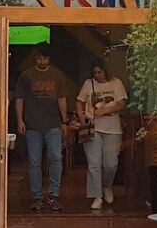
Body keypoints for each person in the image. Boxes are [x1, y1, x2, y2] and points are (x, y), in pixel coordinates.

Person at [13, 48, 74, 212]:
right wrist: (20, 120)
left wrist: (65, 121)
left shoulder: (58, 75)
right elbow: (19, 99)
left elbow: (62, 99)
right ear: (35, 58)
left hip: (53, 124)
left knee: (56, 158)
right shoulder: (26, 76)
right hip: (32, 125)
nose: (42, 61)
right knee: (34, 161)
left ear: (49, 58)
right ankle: (37, 196)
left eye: (44, 58)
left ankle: (54, 194)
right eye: (39, 58)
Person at [75, 62, 127, 210]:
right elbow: (79, 101)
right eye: (95, 73)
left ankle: (107, 185)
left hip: (113, 129)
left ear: (106, 71)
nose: (97, 75)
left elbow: (122, 104)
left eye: (100, 72)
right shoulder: (88, 84)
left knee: (111, 164)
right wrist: (82, 119)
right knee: (94, 163)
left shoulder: (116, 83)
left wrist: (105, 110)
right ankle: (96, 195)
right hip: (93, 128)